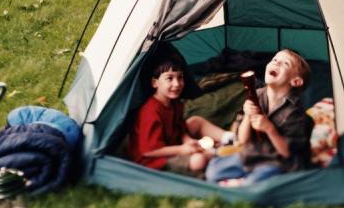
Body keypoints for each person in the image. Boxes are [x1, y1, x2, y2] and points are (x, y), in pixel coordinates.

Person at [195, 49, 313, 186]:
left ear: (296, 81)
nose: (276, 63)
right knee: (214, 171)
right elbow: (243, 140)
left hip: (279, 161)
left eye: (285, 64)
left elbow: (287, 153)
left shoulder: (295, 112)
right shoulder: (257, 95)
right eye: (274, 60)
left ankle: (250, 183)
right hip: (253, 154)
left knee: (255, 182)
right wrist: (247, 116)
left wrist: (270, 129)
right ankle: (244, 180)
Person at [128, 49, 211, 175]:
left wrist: (188, 140)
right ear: (155, 83)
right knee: (199, 160)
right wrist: (181, 149)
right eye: (169, 78)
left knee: (196, 121)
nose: (177, 84)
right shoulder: (150, 111)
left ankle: (231, 139)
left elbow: (179, 128)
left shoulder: (175, 103)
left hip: (170, 143)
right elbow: (148, 151)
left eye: (180, 77)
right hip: (152, 160)